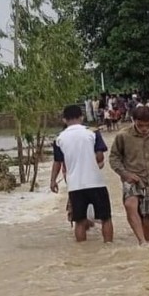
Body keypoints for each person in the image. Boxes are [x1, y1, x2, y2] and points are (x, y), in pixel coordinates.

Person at [109, 105, 149, 245]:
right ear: (133, 121)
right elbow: (114, 158)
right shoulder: (123, 136)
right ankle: (141, 242)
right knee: (129, 204)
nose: (144, 129)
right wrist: (124, 174)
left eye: (147, 125)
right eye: (140, 125)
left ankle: (148, 241)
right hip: (132, 178)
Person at [51, 104, 113, 243]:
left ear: (64, 120)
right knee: (105, 218)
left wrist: (53, 181)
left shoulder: (59, 138)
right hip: (96, 183)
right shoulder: (93, 132)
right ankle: (109, 246)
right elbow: (100, 158)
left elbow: (57, 162)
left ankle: (81, 251)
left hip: (75, 186)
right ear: (82, 117)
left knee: (79, 221)